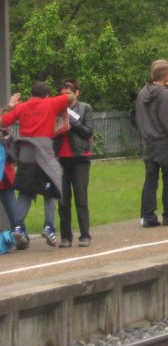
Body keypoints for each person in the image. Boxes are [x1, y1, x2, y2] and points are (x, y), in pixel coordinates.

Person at [1, 83, 74, 248]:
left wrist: (11, 105)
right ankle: (49, 228)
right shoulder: (51, 103)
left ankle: (18, 227)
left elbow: (3, 121)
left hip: (26, 154)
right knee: (51, 192)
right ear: (46, 95)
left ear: (32, 94)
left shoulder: (22, 107)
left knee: (25, 193)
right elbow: (71, 97)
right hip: (44, 153)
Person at [135, 60, 168, 227]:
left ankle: (147, 215)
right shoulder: (165, 94)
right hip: (163, 141)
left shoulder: (142, 93)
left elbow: (138, 118)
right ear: (165, 76)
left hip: (148, 142)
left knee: (150, 179)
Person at [54, 79, 93, 247]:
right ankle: (65, 236)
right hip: (61, 159)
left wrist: (72, 120)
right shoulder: (55, 109)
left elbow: (87, 132)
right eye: (62, 94)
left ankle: (85, 235)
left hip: (80, 158)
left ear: (76, 93)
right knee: (63, 200)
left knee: (81, 198)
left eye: (68, 93)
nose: (65, 97)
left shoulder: (85, 108)